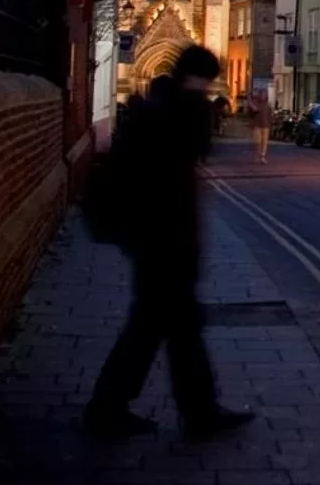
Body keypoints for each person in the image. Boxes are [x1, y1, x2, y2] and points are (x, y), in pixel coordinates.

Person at [86, 45, 254, 440]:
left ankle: (185, 410)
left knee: (167, 329)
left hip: (157, 241)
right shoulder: (174, 112)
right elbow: (187, 154)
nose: (209, 88)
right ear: (196, 77)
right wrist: (196, 102)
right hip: (163, 242)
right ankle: (120, 408)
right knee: (161, 329)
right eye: (207, 80)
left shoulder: (158, 107)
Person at [245, 87, 273, 164]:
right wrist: (252, 109)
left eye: (264, 94)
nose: (262, 95)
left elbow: (270, 116)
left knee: (264, 142)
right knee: (257, 142)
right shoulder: (254, 104)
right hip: (256, 126)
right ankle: (257, 156)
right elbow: (249, 113)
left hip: (266, 126)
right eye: (261, 93)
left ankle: (262, 157)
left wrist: (270, 124)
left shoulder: (268, 105)